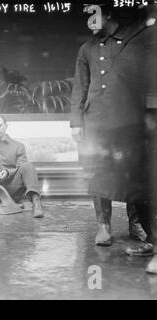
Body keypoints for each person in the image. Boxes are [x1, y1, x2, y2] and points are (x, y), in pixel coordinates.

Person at [70, 5, 156, 247]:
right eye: (87, 16)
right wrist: (76, 122)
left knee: (133, 171)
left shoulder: (132, 40)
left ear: (108, 14)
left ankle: (136, 224)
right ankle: (104, 227)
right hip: (96, 122)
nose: (90, 21)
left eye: (94, 14)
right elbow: (80, 86)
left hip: (128, 120)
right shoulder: (86, 49)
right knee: (99, 171)